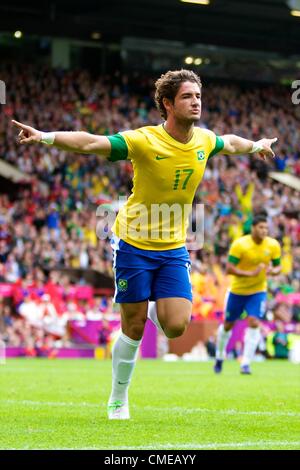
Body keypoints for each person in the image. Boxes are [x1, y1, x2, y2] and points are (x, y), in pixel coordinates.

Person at [12, 69, 277, 419]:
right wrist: (46, 137)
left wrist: (257, 145)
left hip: (172, 247)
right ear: (168, 103)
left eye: (198, 95)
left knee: (177, 325)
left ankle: (153, 301)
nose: (196, 101)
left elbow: (231, 142)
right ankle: (118, 398)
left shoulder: (204, 140)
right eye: (187, 96)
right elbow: (92, 143)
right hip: (133, 243)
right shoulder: (143, 140)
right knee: (133, 326)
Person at [214, 212, 281, 375]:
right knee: (228, 325)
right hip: (237, 291)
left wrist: (272, 270)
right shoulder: (240, 245)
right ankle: (219, 355)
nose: (264, 230)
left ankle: (245, 363)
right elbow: (229, 268)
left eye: (266, 227)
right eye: (261, 227)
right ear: (253, 228)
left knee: (254, 322)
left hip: (258, 291)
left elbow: (278, 266)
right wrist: (250, 273)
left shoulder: (272, 245)